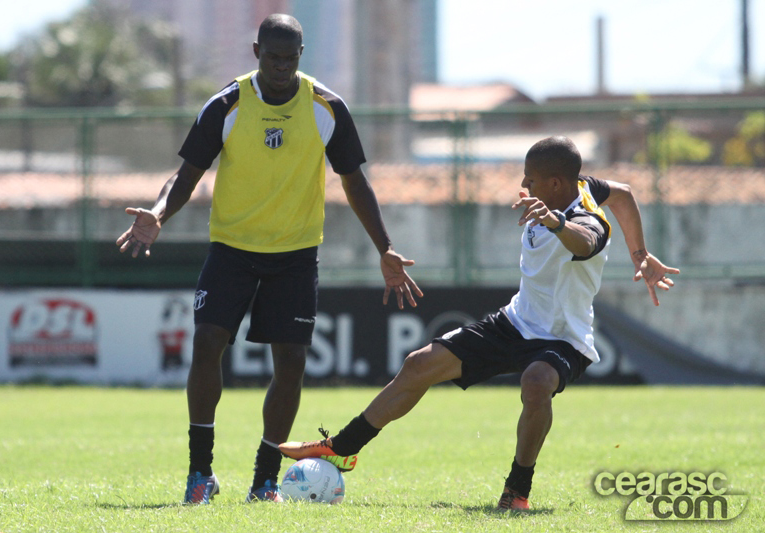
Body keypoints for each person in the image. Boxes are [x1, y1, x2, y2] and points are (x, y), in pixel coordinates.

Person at [116, 14, 422, 504]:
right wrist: (158, 213)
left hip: (296, 255)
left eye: (291, 58)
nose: (281, 66)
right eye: (273, 57)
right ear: (256, 52)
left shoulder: (327, 107)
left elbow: (355, 180)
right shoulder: (226, 104)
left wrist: (383, 247)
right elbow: (187, 174)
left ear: (301, 55)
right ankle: (200, 473)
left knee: (292, 363)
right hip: (232, 249)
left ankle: (264, 481)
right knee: (208, 341)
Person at [279, 136, 680, 511]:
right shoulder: (584, 185)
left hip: (564, 337)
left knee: (537, 381)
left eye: (532, 178)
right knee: (420, 363)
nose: (523, 183)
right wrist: (641, 254)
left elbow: (586, 240)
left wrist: (557, 224)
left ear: (557, 184)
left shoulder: (590, 219)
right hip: (516, 321)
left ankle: (517, 491)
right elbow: (625, 194)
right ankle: (343, 447)